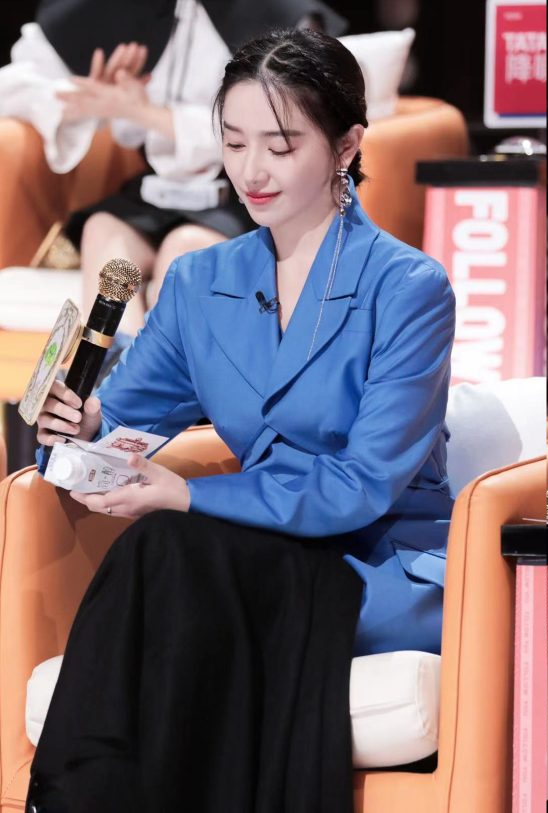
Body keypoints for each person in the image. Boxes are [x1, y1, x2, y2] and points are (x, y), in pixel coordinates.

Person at [25, 27, 455, 813]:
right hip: (252, 548)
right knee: (167, 553)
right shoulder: (200, 282)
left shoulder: (408, 288)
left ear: (346, 145)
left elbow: (360, 485)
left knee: (167, 544)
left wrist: (188, 494)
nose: (251, 170)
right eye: (232, 142)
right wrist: (78, 424)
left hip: (373, 562)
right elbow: (122, 423)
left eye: (280, 146)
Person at [0, 0, 346, 339]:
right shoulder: (103, 11)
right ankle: (111, 359)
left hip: (242, 193)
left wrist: (144, 113)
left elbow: (287, 126)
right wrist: (90, 99)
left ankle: (165, 365)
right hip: (156, 190)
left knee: (185, 250)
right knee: (104, 231)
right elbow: (13, 85)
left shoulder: (283, 14)